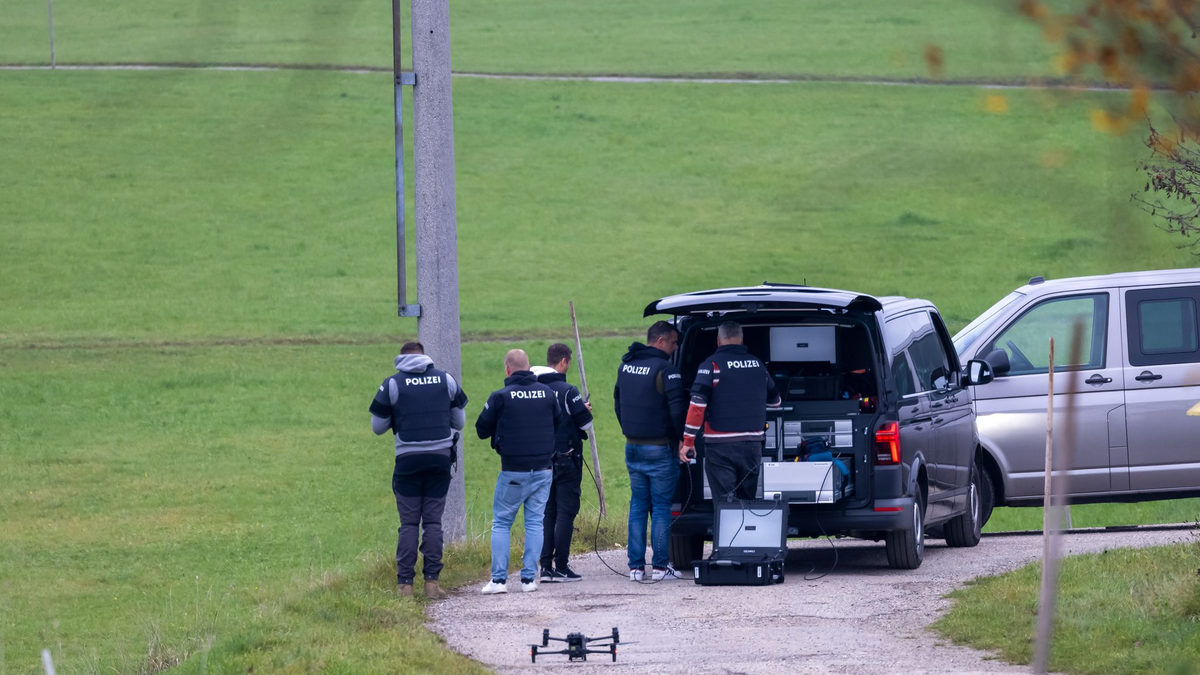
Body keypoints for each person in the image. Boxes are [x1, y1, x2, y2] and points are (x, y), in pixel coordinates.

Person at [369, 341, 468, 600]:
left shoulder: (392, 384)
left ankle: (405, 587)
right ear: (424, 358)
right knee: (433, 522)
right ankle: (432, 584)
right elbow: (459, 422)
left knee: (409, 523)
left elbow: (377, 427)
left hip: (408, 462)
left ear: (401, 359)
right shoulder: (446, 379)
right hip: (439, 461)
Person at [475, 349, 562, 594]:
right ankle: (528, 580)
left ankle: (499, 581)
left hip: (513, 470)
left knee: (502, 522)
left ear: (507, 369)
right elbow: (558, 421)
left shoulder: (500, 396)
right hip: (544, 469)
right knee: (535, 522)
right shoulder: (547, 393)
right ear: (529, 368)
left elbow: (481, 429)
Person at [613, 321, 688, 581]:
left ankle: (635, 568)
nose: (676, 347)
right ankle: (659, 566)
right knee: (660, 507)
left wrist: (629, 431)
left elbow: (618, 404)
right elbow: (678, 411)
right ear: (660, 341)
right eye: (674, 342)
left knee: (638, 505)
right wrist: (682, 440)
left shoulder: (626, 366)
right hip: (659, 449)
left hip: (632, 447)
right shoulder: (667, 370)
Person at [680, 321, 782, 502]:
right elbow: (776, 402)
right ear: (741, 340)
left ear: (718, 340)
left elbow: (697, 406)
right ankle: (747, 530)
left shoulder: (711, 365)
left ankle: (727, 530)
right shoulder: (758, 365)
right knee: (747, 499)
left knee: (725, 502)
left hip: (721, 446)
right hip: (752, 446)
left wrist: (688, 441)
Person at [530, 344, 595, 583]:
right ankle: (562, 566)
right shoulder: (568, 391)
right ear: (564, 362)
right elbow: (586, 424)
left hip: (542, 461)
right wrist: (583, 409)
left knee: (547, 513)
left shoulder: (535, 389)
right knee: (566, 513)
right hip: (567, 460)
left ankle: (545, 567)